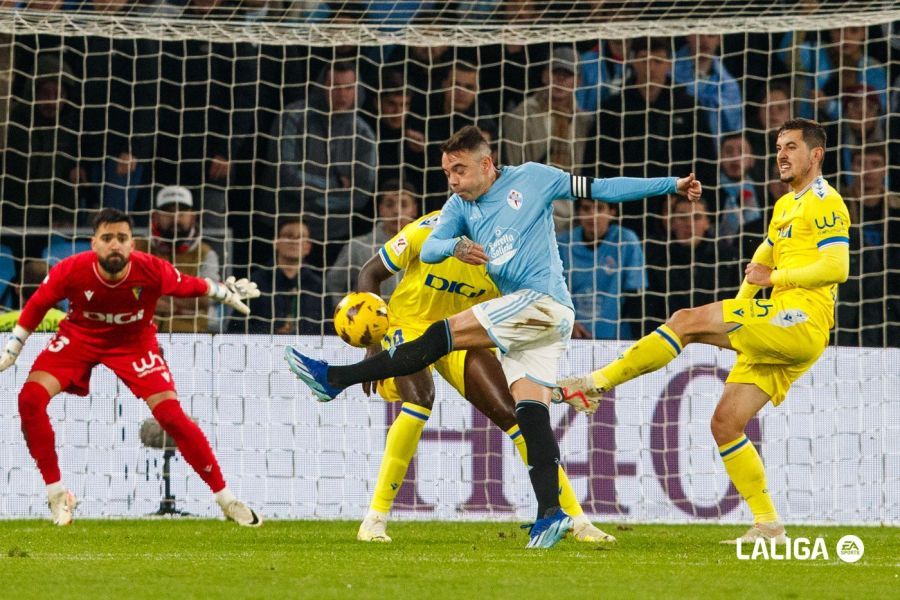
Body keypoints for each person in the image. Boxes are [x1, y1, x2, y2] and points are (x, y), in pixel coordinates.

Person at [286, 125, 701, 549]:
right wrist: (453, 248)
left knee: (441, 340)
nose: (452, 180)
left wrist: (672, 184)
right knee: (524, 415)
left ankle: (335, 378)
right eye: (447, 172)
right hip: (417, 326)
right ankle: (557, 517)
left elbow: (603, 188)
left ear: (486, 164)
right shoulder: (453, 213)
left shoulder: (534, 179)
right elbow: (423, 251)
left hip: (529, 306)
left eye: (459, 170)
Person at [557, 118, 850, 544]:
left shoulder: (825, 201)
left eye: (790, 147)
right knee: (726, 424)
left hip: (801, 322)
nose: (781, 155)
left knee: (685, 321)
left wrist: (775, 279)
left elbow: (836, 267)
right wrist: (744, 308)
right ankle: (769, 525)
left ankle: (594, 384)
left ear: (816, 154)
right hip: (778, 321)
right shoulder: (786, 205)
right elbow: (757, 265)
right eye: (778, 147)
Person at [352, 210, 613, 544]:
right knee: (420, 399)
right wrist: (374, 343)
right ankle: (374, 518)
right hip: (410, 327)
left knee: (513, 414)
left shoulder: (509, 258)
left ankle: (576, 520)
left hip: (464, 334)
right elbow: (369, 273)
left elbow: (525, 308)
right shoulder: (426, 231)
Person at [0, 208, 263, 527]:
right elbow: (37, 304)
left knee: (170, 415)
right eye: (107, 238)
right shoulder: (71, 270)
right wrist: (14, 349)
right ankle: (58, 495)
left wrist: (224, 292)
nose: (115, 245)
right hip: (79, 337)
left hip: (134, 343)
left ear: (132, 244)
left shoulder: (152, 269)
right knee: (30, 398)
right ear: (93, 243)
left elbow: (192, 285)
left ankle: (226, 499)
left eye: (122, 238)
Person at [134, 186, 220, 333]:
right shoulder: (137, 248)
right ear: (155, 216)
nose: (175, 217)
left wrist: (156, 299)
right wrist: (184, 302)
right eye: (168, 211)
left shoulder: (206, 253)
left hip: (193, 334)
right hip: (141, 332)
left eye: (182, 211)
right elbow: (127, 289)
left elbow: (209, 297)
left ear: (193, 216)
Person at [557, 198, 645, 340]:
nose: (592, 215)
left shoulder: (626, 241)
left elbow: (635, 296)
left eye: (600, 209)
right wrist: (565, 319)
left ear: (612, 212)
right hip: (570, 335)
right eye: (586, 209)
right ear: (578, 213)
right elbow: (550, 292)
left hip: (616, 338)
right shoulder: (562, 243)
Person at [325, 180, 419, 304]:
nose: (397, 211)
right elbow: (333, 285)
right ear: (380, 209)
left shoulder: (425, 248)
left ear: (414, 210)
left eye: (404, 205)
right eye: (389, 205)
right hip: (368, 322)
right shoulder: (357, 247)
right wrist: (349, 315)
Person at [228, 216, 325, 335]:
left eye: (300, 237)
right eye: (288, 235)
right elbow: (236, 329)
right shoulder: (255, 283)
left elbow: (327, 330)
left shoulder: (318, 287)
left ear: (308, 247)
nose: (294, 240)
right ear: (276, 242)